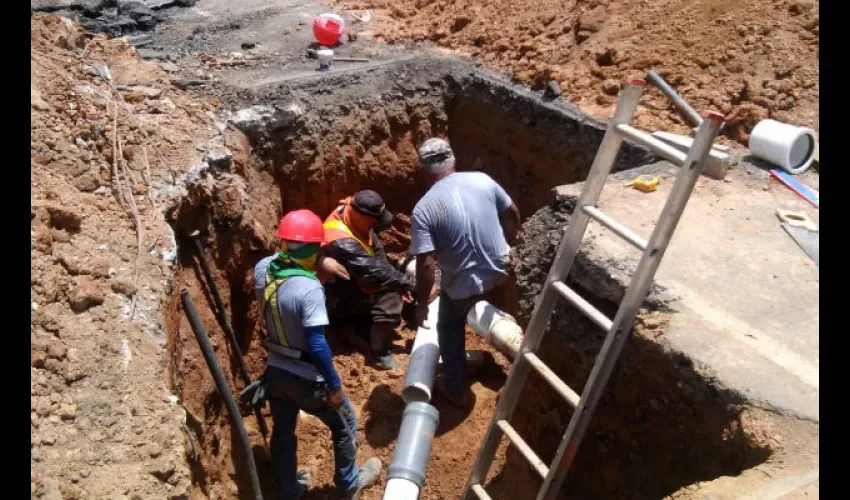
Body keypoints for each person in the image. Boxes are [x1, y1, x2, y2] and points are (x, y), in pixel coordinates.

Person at [254, 209, 381, 500]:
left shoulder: (263, 269)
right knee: (344, 423)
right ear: (313, 248)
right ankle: (349, 485)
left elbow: (288, 262)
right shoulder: (309, 289)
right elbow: (318, 344)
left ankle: (289, 490)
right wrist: (334, 385)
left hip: (275, 372)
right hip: (307, 377)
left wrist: (319, 262)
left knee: (284, 432)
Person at [409, 138, 521, 408]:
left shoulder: (423, 210)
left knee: (448, 327)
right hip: (503, 270)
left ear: (424, 171)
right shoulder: (484, 181)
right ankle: (524, 369)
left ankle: (456, 390)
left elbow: (425, 265)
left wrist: (423, 302)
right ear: (453, 161)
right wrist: (512, 242)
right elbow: (513, 212)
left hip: (461, 287)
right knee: (519, 312)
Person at [322, 190, 416, 370]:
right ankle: (378, 354)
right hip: (338, 299)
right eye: (374, 220)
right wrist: (411, 285)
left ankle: (356, 328)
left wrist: (399, 282)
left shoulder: (352, 214)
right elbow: (374, 271)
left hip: (352, 283)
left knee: (392, 284)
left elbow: (378, 257)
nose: (376, 224)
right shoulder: (341, 240)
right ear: (360, 214)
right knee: (391, 297)